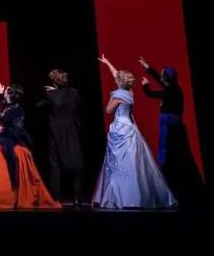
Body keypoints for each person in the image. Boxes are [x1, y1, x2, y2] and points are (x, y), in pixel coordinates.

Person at [92, 55, 176, 209]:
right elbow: (117, 74)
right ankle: (136, 196)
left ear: (119, 82)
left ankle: (123, 197)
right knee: (132, 163)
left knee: (119, 164)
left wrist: (113, 96)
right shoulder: (130, 91)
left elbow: (108, 110)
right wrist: (107, 63)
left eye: (117, 79)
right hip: (130, 128)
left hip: (120, 129)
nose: (115, 78)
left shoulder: (118, 94)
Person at [0, 83, 61, 209]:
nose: (5, 92)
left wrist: (3, 129)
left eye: (6, 91)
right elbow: (4, 111)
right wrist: (1, 94)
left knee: (4, 150)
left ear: (10, 95)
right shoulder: (10, 106)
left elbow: (15, 128)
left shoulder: (17, 110)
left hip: (11, 139)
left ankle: (7, 192)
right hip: (4, 138)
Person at [139, 56, 204, 204]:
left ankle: (179, 188)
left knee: (174, 157)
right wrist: (147, 67)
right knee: (177, 156)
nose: (161, 77)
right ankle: (178, 185)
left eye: (163, 75)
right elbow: (160, 79)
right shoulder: (173, 87)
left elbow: (150, 94)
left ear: (166, 78)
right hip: (173, 128)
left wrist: (145, 85)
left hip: (172, 131)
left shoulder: (171, 91)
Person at [37, 69, 84, 205]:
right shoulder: (74, 92)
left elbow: (38, 106)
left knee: (55, 165)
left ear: (53, 82)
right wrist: (57, 91)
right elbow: (74, 101)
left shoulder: (50, 94)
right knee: (76, 166)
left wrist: (52, 92)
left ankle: (56, 198)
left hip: (56, 134)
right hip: (72, 132)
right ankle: (77, 199)